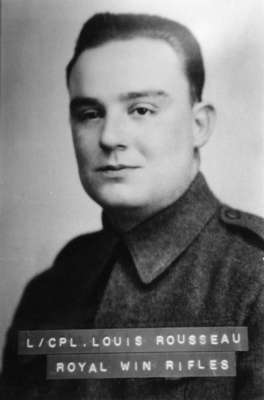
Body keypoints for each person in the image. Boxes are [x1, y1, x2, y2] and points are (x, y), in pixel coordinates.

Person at [1, 12, 264, 400]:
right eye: (90, 114)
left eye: (141, 109)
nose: (109, 137)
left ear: (199, 125)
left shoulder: (254, 279)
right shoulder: (52, 288)